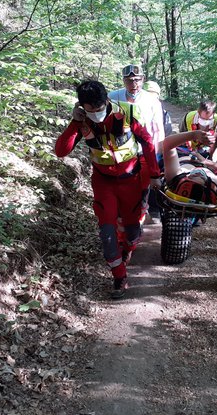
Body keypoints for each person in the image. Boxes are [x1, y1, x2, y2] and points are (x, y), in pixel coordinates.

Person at [55, 80, 162, 299]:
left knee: (132, 232)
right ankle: (119, 277)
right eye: (89, 110)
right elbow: (61, 151)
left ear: (106, 101)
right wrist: (75, 123)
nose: (95, 114)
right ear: (82, 106)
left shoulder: (128, 113)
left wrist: (154, 174)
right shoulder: (82, 120)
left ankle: (126, 251)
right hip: (104, 182)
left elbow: (148, 142)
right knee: (107, 232)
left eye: (99, 108)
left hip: (131, 179)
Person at [109, 65, 166, 223]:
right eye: (128, 80)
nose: (133, 84)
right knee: (123, 189)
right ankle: (123, 224)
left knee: (142, 189)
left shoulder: (152, 100)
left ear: (143, 79)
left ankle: (138, 220)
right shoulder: (113, 97)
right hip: (120, 153)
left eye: (136, 80)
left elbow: (158, 127)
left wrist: (157, 154)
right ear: (123, 81)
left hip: (144, 152)